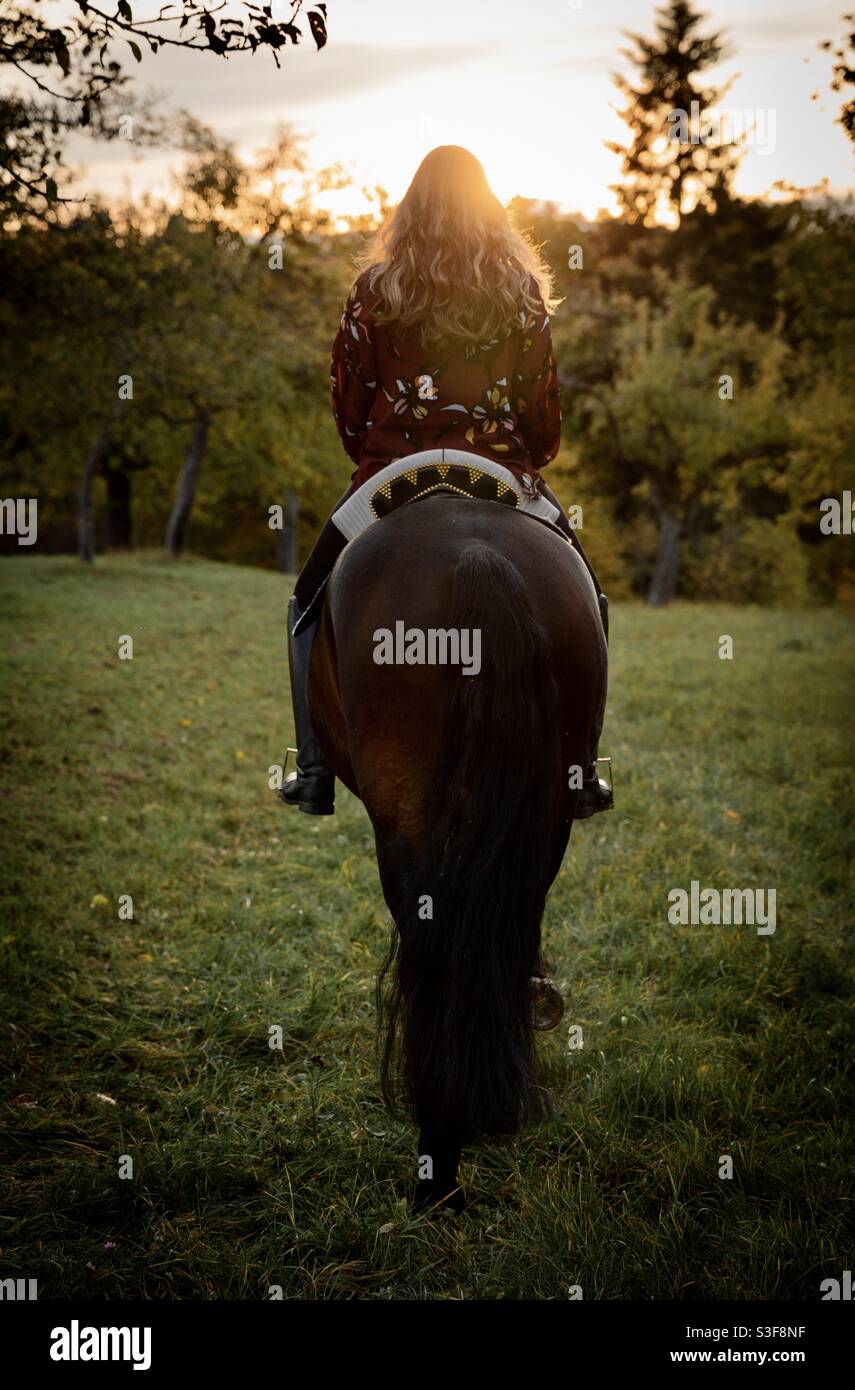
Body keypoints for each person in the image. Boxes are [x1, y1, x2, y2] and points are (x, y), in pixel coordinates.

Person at [281, 145, 612, 820]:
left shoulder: (373, 290)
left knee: (306, 602)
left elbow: (349, 409)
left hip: (389, 476)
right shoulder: (519, 292)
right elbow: (542, 423)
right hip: (500, 471)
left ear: (410, 208)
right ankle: (580, 773)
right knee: (591, 599)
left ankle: (312, 766)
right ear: (487, 207)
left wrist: (381, 446)